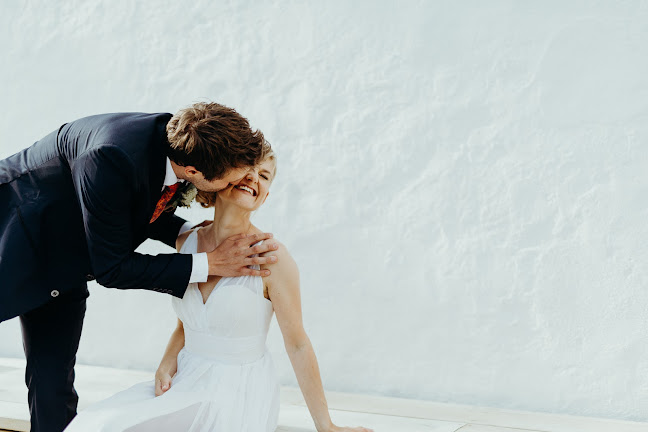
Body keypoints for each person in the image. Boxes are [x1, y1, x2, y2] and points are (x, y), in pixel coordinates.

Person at [0, 102, 279, 432]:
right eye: (235, 177)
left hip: (66, 264)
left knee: (53, 381)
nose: (246, 180)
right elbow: (113, 268)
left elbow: (133, 207)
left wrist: (191, 233)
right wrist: (209, 263)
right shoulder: (111, 157)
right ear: (193, 173)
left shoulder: (181, 141)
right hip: (13, 242)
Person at [64, 144, 372, 432]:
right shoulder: (188, 243)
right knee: (92, 424)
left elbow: (298, 344)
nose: (253, 178)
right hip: (187, 379)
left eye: (263, 176)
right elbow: (186, 324)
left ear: (265, 196)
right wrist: (167, 361)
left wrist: (326, 426)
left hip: (237, 389)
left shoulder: (272, 258)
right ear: (221, 178)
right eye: (246, 168)